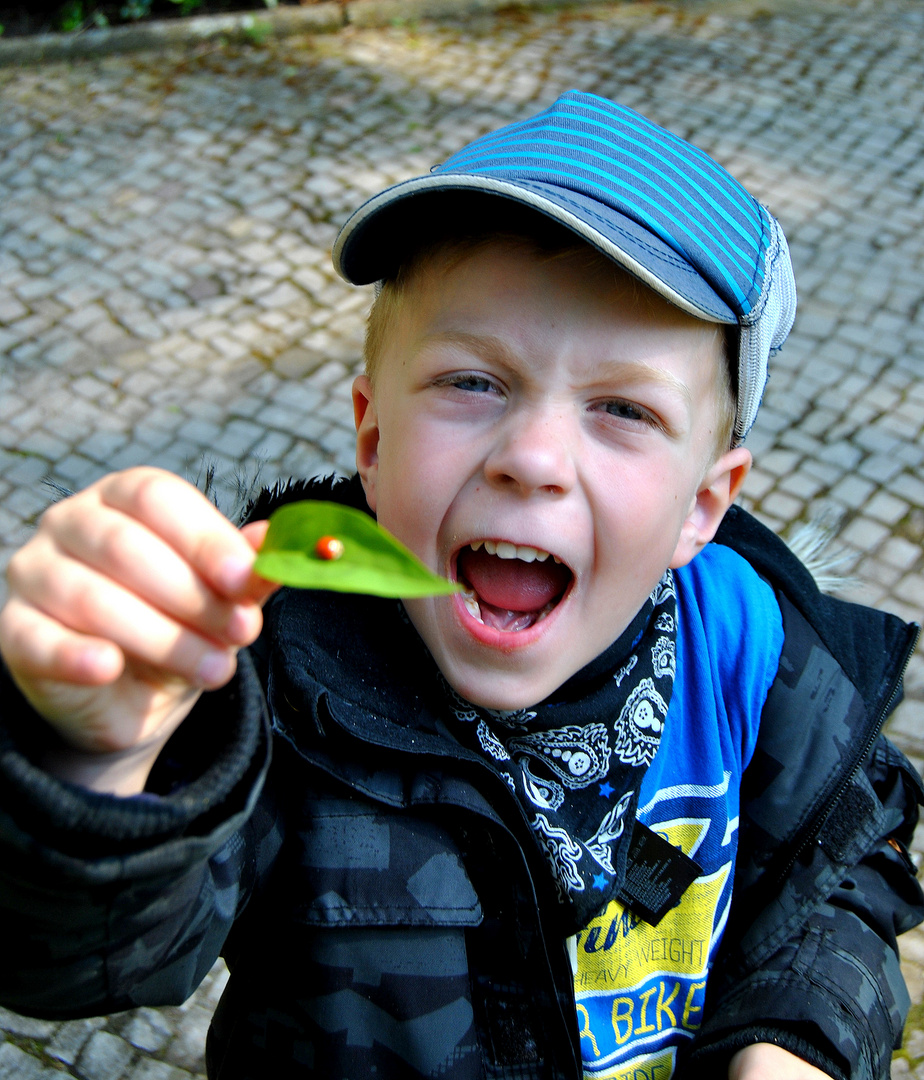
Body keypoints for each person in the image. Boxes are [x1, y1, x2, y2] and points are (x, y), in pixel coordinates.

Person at [0, 90, 921, 1080]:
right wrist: (99, 765)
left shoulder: (754, 655)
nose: (532, 457)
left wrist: (792, 1045)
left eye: (622, 408)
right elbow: (80, 958)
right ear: (372, 438)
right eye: (473, 382)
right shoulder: (270, 688)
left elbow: (837, 866)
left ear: (704, 504)